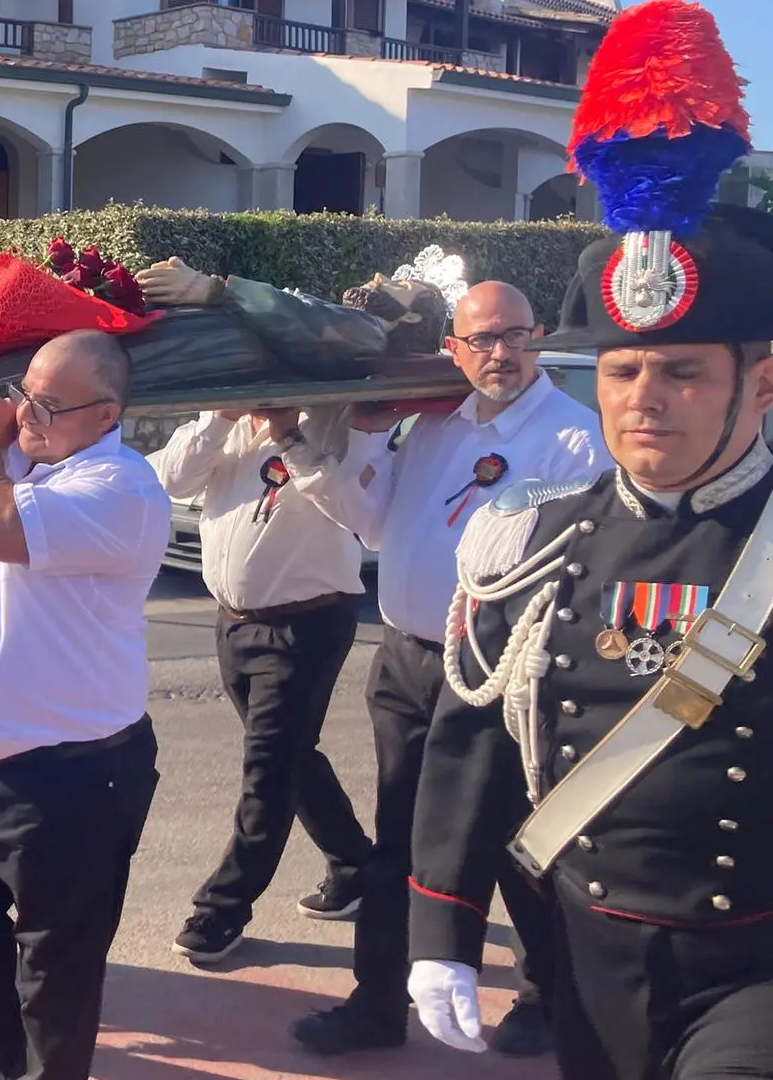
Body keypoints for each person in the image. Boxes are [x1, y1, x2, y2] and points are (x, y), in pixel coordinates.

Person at [408, 0, 773, 1079]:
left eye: (679, 372)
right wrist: (440, 930)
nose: (642, 400)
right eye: (619, 372)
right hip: (582, 953)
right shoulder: (529, 544)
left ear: (759, 384)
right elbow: (468, 746)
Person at [288, 278, 601, 1058]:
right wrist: (362, 432)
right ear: (453, 350)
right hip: (407, 660)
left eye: (514, 334)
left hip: (501, 668)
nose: (500, 352)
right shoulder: (436, 427)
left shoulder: (573, 436)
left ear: (537, 336)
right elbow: (372, 522)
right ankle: (376, 1003)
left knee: (509, 839)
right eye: (482, 339)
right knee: (400, 837)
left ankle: (545, 990)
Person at [0, 330, 169, 1080]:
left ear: (106, 413)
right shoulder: (22, 466)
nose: (27, 414)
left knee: (55, 973)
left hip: (68, 780)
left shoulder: (122, 487)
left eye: (48, 404)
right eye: (24, 394)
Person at [150, 404, 373, 966]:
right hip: (234, 623)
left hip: (306, 623)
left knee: (268, 772)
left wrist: (288, 433)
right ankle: (357, 867)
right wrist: (222, 418)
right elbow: (172, 480)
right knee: (291, 760)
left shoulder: (331, 418)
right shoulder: (218, 419)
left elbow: (355, 511)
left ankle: (223, 906)